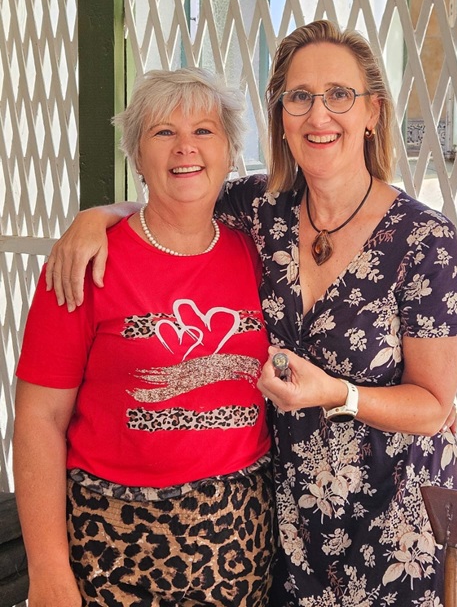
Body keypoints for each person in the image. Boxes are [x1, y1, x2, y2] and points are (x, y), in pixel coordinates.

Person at [44, 20, 457, 606]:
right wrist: (94, 218)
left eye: (339, 95)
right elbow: (179, 193)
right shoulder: (261, 210)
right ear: (281, 116)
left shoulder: (425, 239)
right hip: (290, 534)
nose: (318, 115)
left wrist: (339, 394)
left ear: (372, 112)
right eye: (299, 97)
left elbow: (432, 407)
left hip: (399, 530)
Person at [13, 67, 276, 607]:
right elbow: (40, 420)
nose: (186, 147)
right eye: (163, 132)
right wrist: (48, 570)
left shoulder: (260, 254)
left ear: (230, 151)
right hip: (113, 543)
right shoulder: (83, 264)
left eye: (204, 130)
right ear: (137, 154)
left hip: (240, 541)